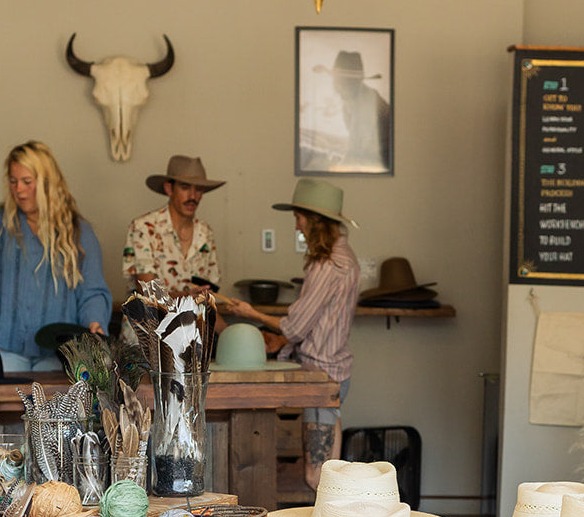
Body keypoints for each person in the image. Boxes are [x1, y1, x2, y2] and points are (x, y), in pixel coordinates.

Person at [216, 179, 359, 488]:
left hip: (322, 377)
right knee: (328, 477)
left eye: (299, 217)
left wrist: (250, 313)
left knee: (315, 476)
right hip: (334, 373)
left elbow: (296, 327)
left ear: (314, 220)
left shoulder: (329, 264)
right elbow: (312, 321)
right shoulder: (345, 256)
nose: (296, 226)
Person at [0, 141, 111, 372]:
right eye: (13, 181)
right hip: (5, 349)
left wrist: (94, 323)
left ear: (48, 182)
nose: (19, 190)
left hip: (58, 353)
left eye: (27, 182)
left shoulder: (78, 231)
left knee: (54, 408)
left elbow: (92, 289)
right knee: (4, 407)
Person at [123, 155, 225, 294]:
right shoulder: (144, 228)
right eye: (185, 187)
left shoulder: (205, 232)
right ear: (169, 189)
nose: (192, 196)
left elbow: (209, 292)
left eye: (199, 189)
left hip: (196, 316)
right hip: (153, 316)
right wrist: (187, 297)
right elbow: (147, 292)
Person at [324, 51, 392, 171]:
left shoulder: (369, 103)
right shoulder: (350, 100)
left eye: (339, 82)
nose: (336, 87)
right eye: (335, 80)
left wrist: (335, 168)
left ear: (352, 83)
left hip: (386, 160)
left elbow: (358, 151)